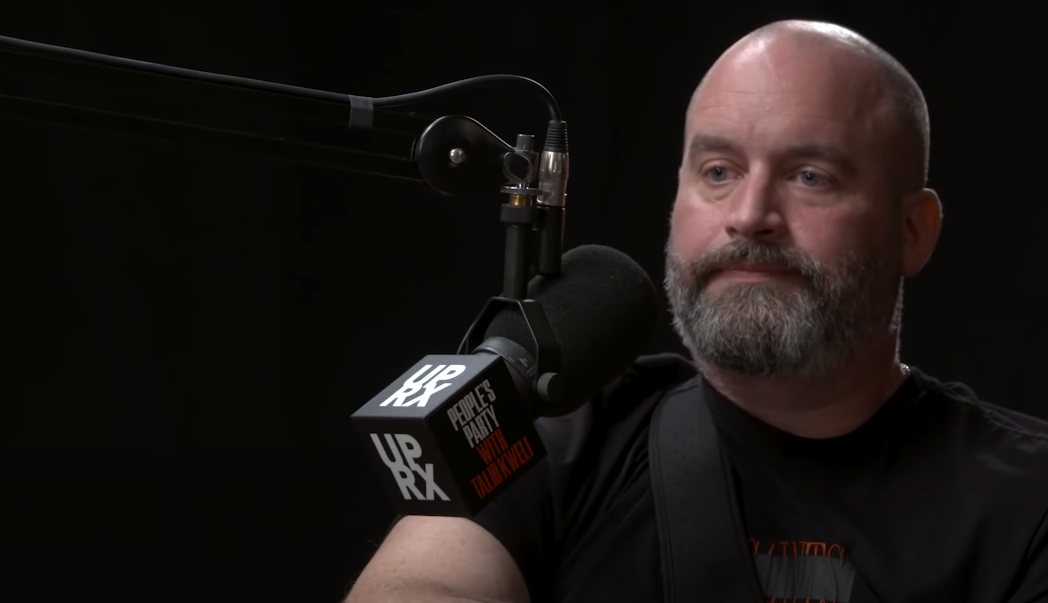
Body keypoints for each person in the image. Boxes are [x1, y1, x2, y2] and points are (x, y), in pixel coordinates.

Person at [346, 19, 1048, 603]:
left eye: (811, 176)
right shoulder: (554, 436)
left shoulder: (1027, 503)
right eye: (719, 172)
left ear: (912, 231)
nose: (750, 215)